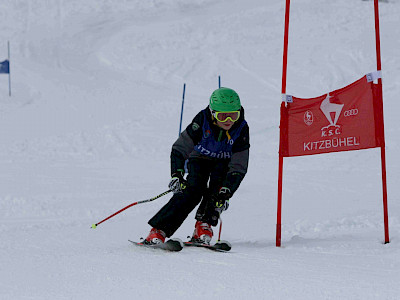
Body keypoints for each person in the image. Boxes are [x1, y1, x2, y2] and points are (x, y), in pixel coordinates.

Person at [143, 87, 250, 245]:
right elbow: (180, 149)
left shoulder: (241, 127)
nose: (229, 120)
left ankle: (203, 226)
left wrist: (228, 189)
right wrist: (177, 174)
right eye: (223, 115)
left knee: (218, 192)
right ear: (213, 113)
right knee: (191, 191)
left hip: (224, 162)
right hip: (199, 158)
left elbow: (239, 165)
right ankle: (159, 230)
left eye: (234, 115)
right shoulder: (202, 120)